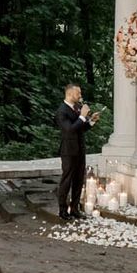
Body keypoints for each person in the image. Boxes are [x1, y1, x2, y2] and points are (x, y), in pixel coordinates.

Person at [55, 85, 98, 219]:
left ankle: (74, 209)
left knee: (79, 180)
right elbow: (69, 130)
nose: (80, 95)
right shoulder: (61, 111)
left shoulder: (76, 108)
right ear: (70, 93)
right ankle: (62, 210)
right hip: (68, 150)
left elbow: (80, 128)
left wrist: (90, 121)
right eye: (78, 92)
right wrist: (82, 116)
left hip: (80, 149)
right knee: (67, 180)